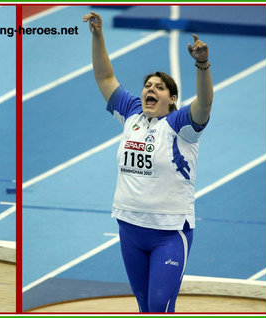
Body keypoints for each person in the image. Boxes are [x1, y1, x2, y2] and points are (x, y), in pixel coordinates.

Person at [83, 11, 213, 313]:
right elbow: (104, 77)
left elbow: (204, 102)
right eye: (147, 85)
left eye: (159, 87)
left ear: (172, 98)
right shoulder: (131, 113)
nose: (150, 89)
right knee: (145, 307)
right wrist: (98, 35)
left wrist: (201, 63)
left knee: (158, 305)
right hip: (129, 228)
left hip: (169, 233)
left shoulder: (182, 125)